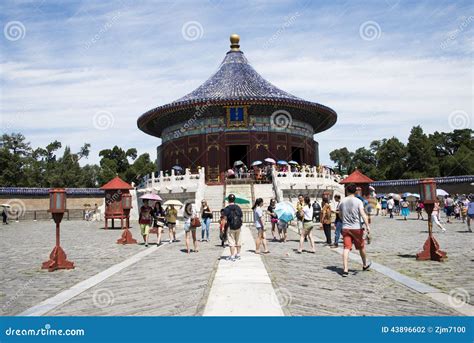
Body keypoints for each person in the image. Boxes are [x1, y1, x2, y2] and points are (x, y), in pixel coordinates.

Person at [339, 183, 371, 277]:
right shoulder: (358, 201)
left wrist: (344, 220)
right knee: (361, 247)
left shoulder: (342, 201)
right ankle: (364, 264)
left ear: (347, 191)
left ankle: (345, 269)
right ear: (355, 191)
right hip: (357, 227)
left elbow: (340, 214)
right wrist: (367, 226)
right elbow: (362, 214)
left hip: (345, 227)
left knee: (346, 248)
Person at [223, 194, 243, 261]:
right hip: (238, 226)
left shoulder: (226, 209)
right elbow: (241, 217)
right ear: (234, 199)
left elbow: (225, 219)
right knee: (238, 240)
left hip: (230, 226)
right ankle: (238, 254)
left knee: (231, 241)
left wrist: (223, 227)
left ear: (228, 200)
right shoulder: (238, 207)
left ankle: (232, 255)